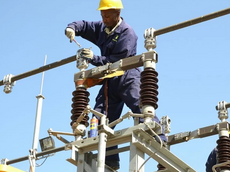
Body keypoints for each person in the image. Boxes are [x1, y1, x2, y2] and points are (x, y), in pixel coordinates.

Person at [65, 0, 167, 170]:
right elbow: (84, 25)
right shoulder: (102, 28)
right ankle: (111, 160)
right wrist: (72, 28)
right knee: (101, 119)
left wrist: (93, 58)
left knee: (142, 111)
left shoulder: (127, 32)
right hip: (109, 81)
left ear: (117, 14)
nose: (103, 19)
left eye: (107, 16)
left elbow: (118, 61)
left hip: (127, 76)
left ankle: (162, 146)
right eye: (102, 15)